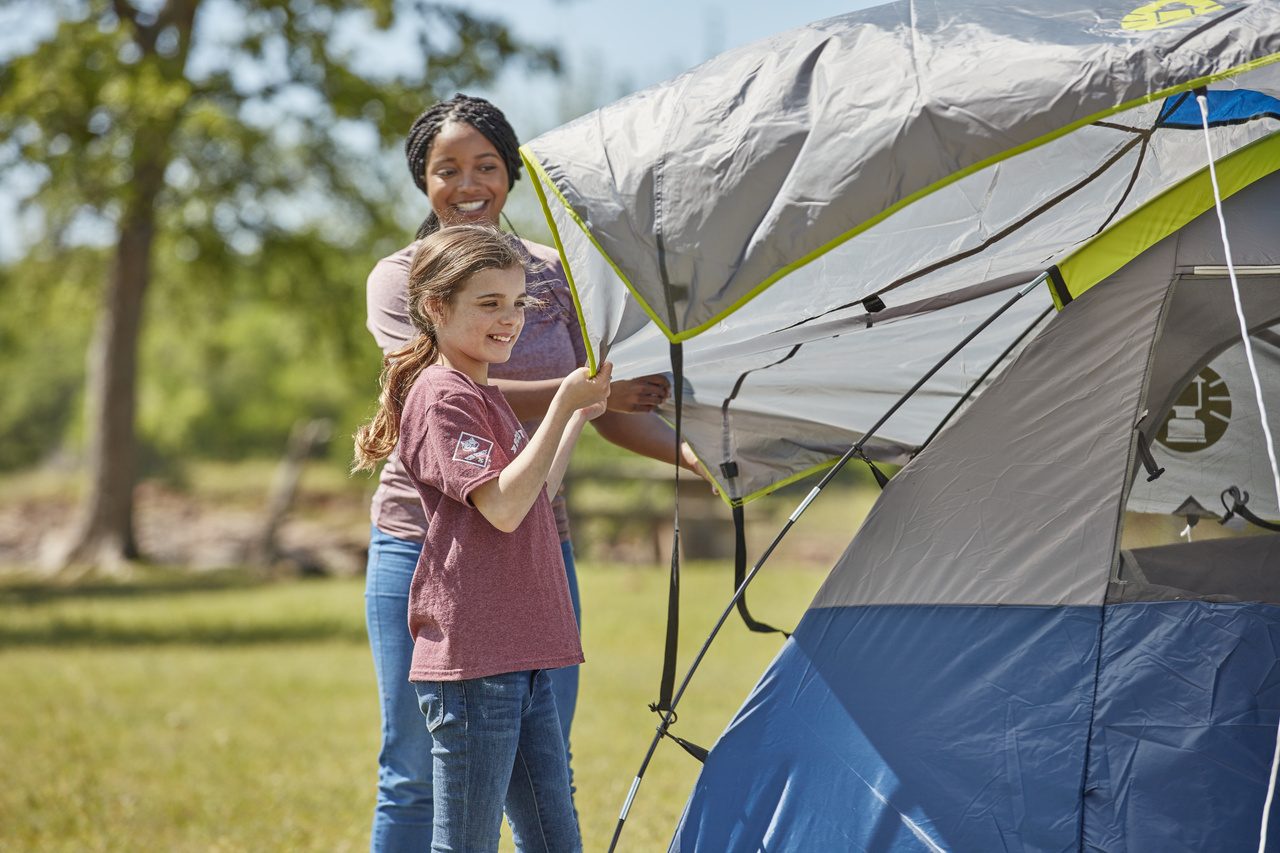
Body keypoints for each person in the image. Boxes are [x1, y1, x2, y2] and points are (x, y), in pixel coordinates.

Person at [363, 94, 704, 851]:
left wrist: (690, 458)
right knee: (416, 772)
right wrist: (581, 396)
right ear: (422, 179)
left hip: (531, 542)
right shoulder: (401, 278)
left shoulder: (554, 276)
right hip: (427, 545)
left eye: (487, 164)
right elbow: (442, 381)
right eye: (446, 168)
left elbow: (604, 407)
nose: (468, 182)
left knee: (542, 763)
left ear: (512, 174)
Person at [354, 224, 607, 852]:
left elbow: (535, 495)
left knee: (554, 842)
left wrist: (574, 414)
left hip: (520, 657)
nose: (511, 319)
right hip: (474, 667)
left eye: (518, 302)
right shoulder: (441, 397)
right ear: (436, 308)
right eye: (489, 303)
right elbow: (498, 505)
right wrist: (557, 404)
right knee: (465, 844)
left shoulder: (482, 392)